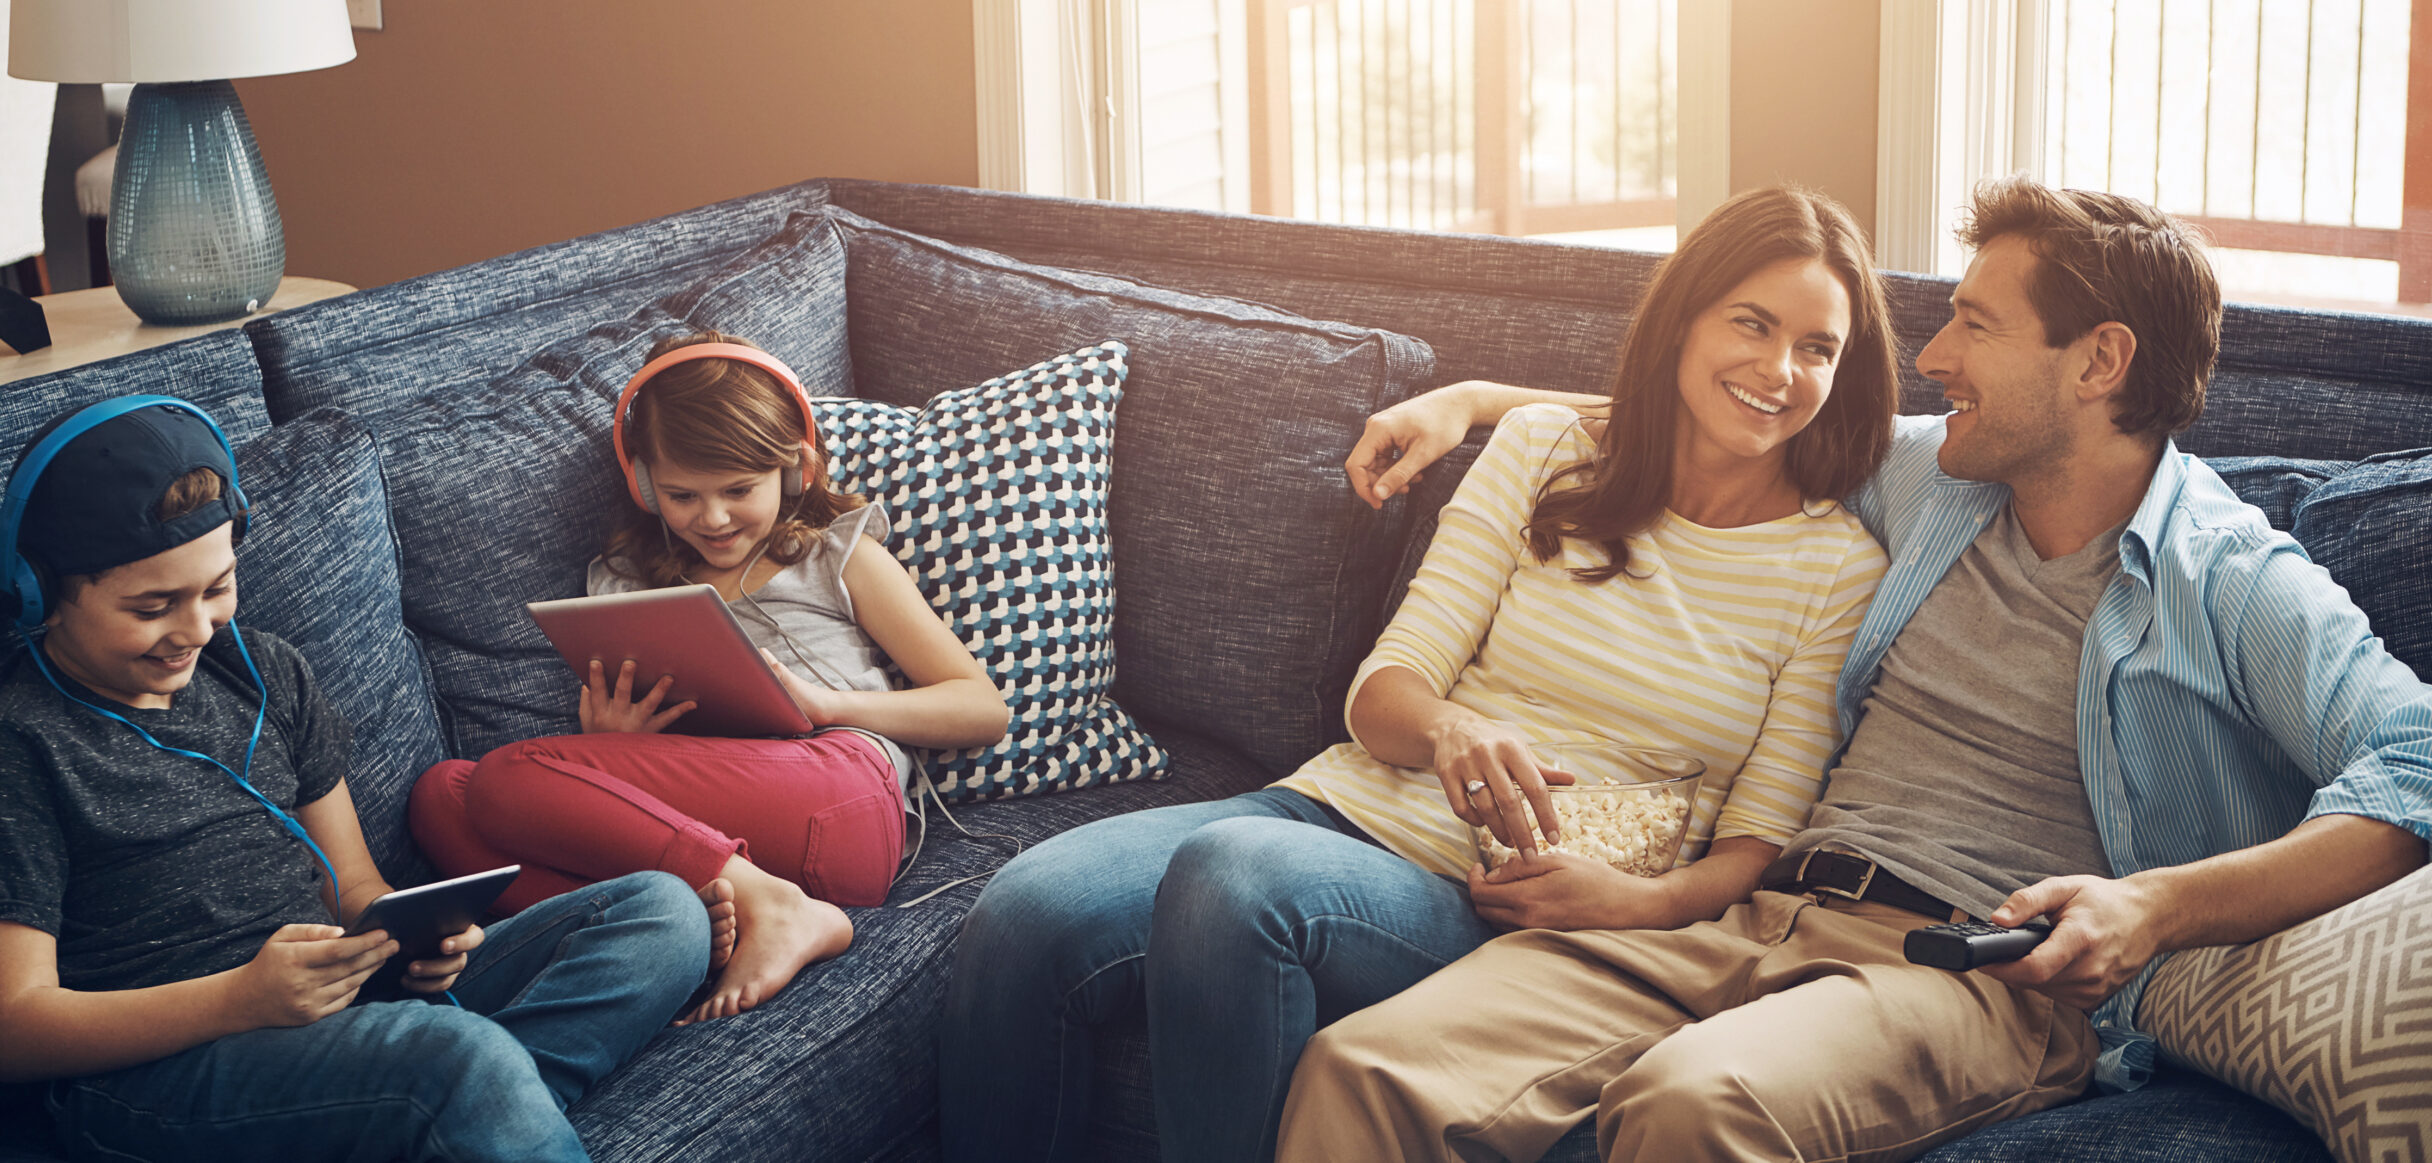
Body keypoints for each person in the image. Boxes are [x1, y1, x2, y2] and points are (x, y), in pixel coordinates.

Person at [1280, 179, 2432, 1163]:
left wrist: (2153, 906)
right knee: (1364, 1065)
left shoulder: (2227, 577)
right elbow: (1721, 415)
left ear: (2099, 362)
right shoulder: (1938, 475)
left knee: (1689, 1104)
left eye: (1974, 326)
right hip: (1759, 910)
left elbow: (2415, 757)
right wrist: (1475, 401)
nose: (1931, 360)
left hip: (1974, 974)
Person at [940, 186, 1899, 1163]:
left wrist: (1644, 905)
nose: (1777, 369)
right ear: (1685, 316)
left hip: (1505, 898)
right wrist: (1449, 728)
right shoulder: (1542, 449)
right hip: (1336, 812)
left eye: (1816, 348)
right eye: (1751, 322)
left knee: (1232, 879)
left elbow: (1757, 841)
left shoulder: (1836, 569)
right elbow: (1384, 689)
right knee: (1023, 918)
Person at [0, 396, 710, 1163]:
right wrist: (240, 998)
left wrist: (412, 936)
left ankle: (454, 1111)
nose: (196, 630)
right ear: (41, 592)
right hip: (155, 1075)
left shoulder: (263, 670)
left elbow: (352, 886)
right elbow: (13, 1028)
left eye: (215, 588)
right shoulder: (12, 741)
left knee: (661, 913)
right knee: (454, 1058)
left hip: (343, 1006)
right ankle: (464, 1098)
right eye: (151, 606)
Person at [411, 332, 1008, 1021]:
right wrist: (612, 745)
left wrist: (823, 702)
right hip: (713, 826)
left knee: (507, 777)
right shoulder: (621, 586)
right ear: (641, 484)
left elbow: (981, 708)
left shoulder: (837, 556)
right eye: (682, 494)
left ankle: (769, 905)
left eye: (739, 489)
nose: (714, 517)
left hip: (838, 789)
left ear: (795, 470)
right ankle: (704, 923)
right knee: (442, 795)